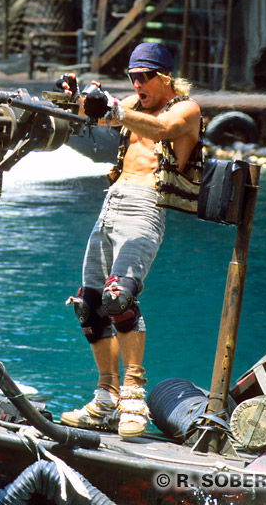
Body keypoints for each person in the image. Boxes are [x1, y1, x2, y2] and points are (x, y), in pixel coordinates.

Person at [58, 42, 202, 438]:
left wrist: (117, 110)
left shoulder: (185, 110)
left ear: (165, 77)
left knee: (118, 296)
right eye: (131, 77)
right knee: (90, 305)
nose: (137, 83)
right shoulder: (131, 105)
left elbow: (163, 130)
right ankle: (106, 397)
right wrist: (74, 99)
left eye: (144, 76)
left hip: (146, 206)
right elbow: (94, 117)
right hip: (112, 202)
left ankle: (133, 396)